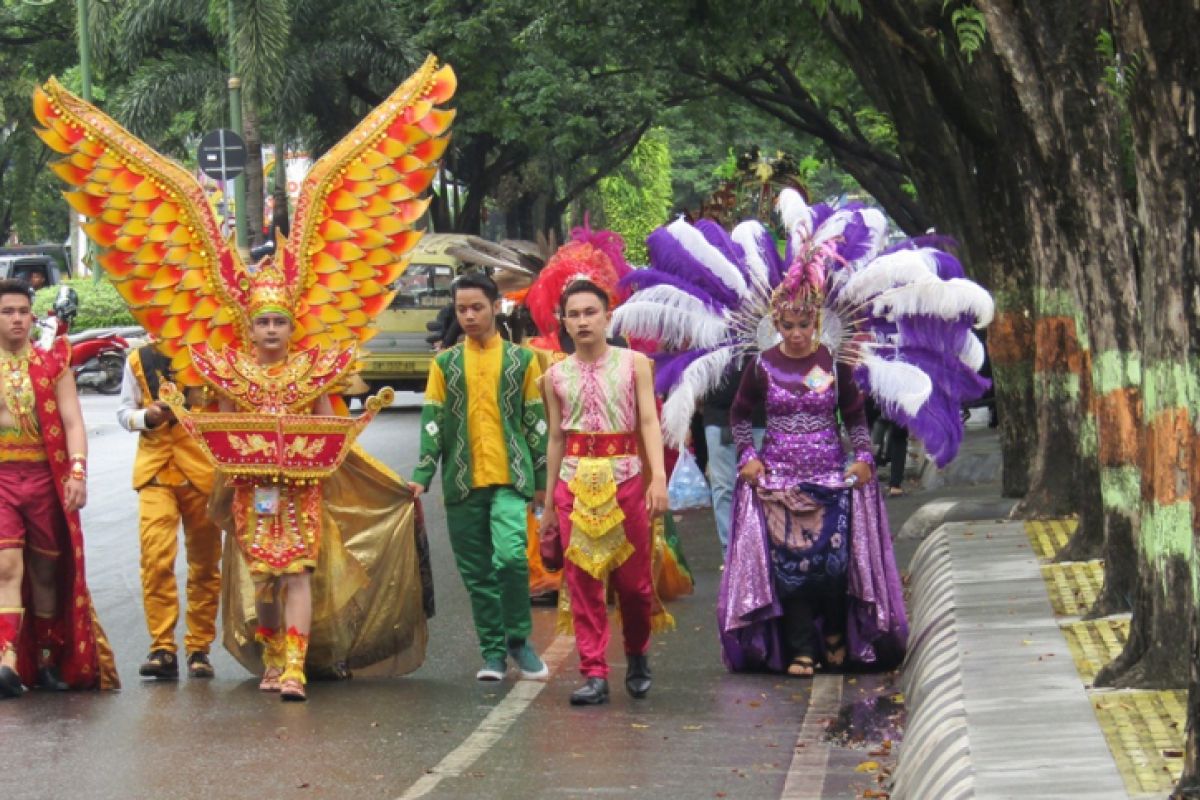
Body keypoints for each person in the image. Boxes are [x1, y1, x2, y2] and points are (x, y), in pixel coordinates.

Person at [410, 271, 550, 682]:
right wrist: (422, 472)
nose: (469, 316)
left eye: (477, 308)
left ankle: (519, 641)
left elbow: (535, 422)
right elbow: (433, 420)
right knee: (477, 574)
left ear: (495, 308)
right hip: (461, 482)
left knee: (510, 558)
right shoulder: (445, 364)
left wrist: (542, 481)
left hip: (511, 478)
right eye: (461, 309)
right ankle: (492, 653)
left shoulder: (523, 360)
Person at [541, 279, 669, 706]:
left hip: (627, 477)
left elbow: (649, 422)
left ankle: (637, 653)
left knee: (633, 586)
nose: (582, 321)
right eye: (573, 314)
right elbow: (556, 439)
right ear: (563, 321)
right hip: (573, 483)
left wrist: (658, 479)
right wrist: (546, 506)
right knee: (582, 581)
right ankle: (593, 671)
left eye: (590, 312)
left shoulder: (635, 365)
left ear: (608, 317)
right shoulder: (553, 376)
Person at [0, 279, 117, 698]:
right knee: (7, 567)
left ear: (33, 315)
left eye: (22, 311)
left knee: (46, 571)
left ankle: (48, 659)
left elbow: (72, 424)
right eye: (7, 312)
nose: (16, 319)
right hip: (2, 481)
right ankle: (7, 657)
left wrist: (78, 473)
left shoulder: (53, 363)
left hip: (45, 480)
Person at [116, 342, 222, 680]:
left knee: (205, 563)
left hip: (201, 472)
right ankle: (162, 647)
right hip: (155, 471)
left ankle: (199, 648)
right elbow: (124, 412)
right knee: (156, 557)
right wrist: (146, 417)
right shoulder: (138, 359)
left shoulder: (212, 354)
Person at [701, 363, 765, 556]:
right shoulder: (708, 337)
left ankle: (761, 554)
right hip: (720, 417)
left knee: (762, 487)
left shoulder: (767, 337)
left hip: (759, 417)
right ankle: (730, 554)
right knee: (724, 489)